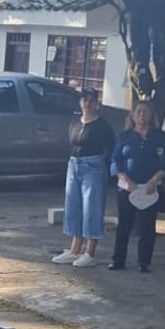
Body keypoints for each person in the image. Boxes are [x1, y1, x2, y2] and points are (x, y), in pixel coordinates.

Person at [109, 99, 165, 274]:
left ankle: (144, 262)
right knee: (124, 225)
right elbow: (115, 160)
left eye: (145, 112)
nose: (141, 115)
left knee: (147, 227)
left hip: (149, 188)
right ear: (132, 115)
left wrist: (155, 180)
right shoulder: (125, 137)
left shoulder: (159, 137)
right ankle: (118, 260)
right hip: (127, 188)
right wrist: (124, 179)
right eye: (138, 112)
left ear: (151, 115)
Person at [52, 90, 115, 268]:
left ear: (97, 103)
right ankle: (74, 249)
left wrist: (105, 170)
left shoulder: (102, 125)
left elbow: (109, 148)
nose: (87, 103)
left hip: (93, 166)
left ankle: (90, 251)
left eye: (91, 101)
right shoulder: (74, 122)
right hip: (74, 164)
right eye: (84, 100)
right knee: (74, 206)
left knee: (91, 207)